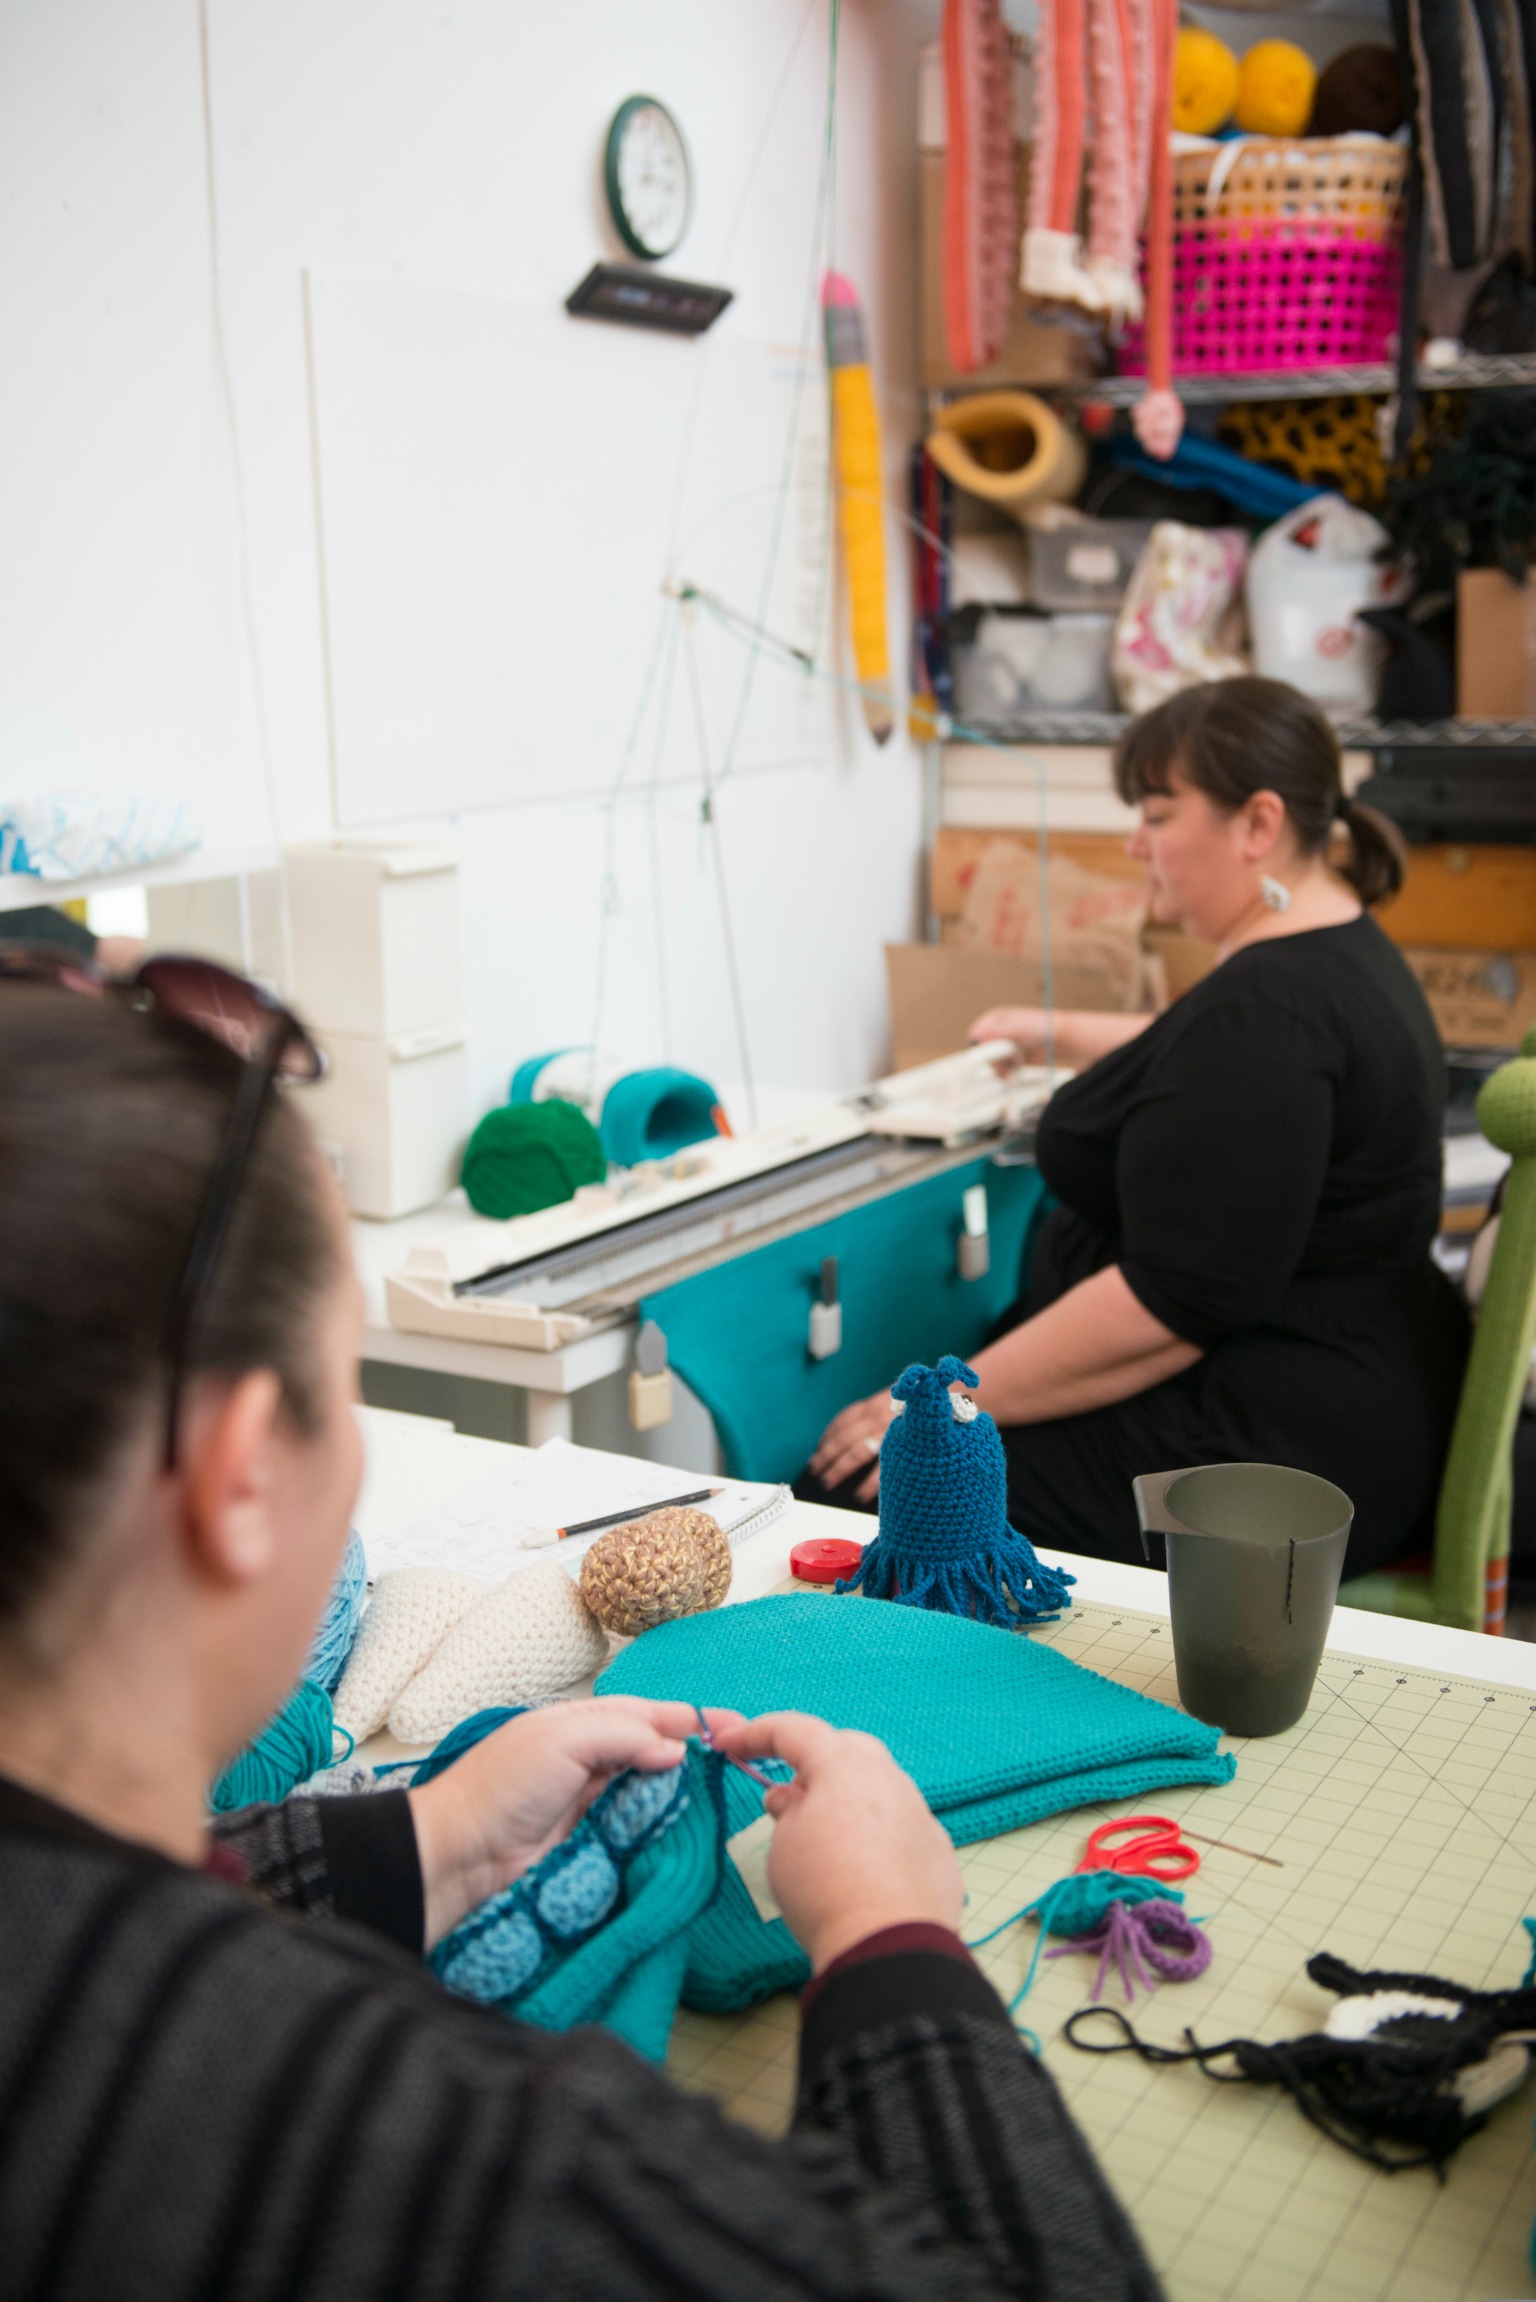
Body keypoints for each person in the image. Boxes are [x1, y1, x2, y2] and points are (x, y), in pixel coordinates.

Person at [0, 952, 1160, 2302]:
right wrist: (893, 1941)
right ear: (241, 1478)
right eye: (346, 1388)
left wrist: (408, 1843)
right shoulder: (431, 2146)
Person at [809, 678, 1468, 1578]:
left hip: (1273, 1451)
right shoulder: (1334, 957)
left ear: (1257, 825)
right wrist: (1059, 1033)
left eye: (1158, 814)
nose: (1135, 843)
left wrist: (943, 1409)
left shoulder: (1270, 1010)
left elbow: (1173, 1305)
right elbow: (1227, 1079)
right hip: (1353, 1400)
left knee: (870, 1501)